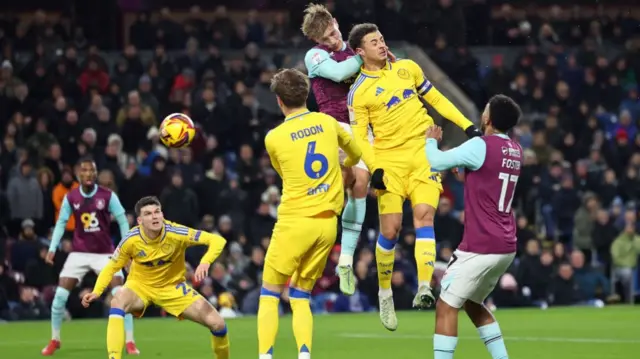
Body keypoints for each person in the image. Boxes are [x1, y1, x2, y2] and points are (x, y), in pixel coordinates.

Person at [346, 23, 481, 330]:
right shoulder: (358, 92)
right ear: (360, 52)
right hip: (389, 163)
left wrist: (468, 125)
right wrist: (375, 169)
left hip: (422, 155)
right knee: (391, 231)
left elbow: (437, 101)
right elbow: (358, 137)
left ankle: (424, 287)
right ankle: (384, 292)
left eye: (381, 39)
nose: (381, 45)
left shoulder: (408, 68)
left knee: (424, 217)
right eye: (373, 42)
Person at [257, 68, 365, 359]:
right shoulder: (327, 122)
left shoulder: (274, 138)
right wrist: (347, 167)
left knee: (269, 294)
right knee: (301, 295)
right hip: (327, 226)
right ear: (306, 94)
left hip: (295, 221)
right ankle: (304, 355)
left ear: (279, 101)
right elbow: (356, 151)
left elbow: (284, 175)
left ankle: (265, 356)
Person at [301, 4, 393, 295]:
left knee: (362, 184)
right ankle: (310, 243)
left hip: (364, 128)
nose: (330, 41)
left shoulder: (356, 49)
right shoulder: (315, 55)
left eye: (331, 33)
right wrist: (362, 56)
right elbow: (340, 74)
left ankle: (345, 262)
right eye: (324, 39)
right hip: (335, 126)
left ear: (336, 23)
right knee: (343, 182)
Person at [425, 94, 522, 359]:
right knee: (471, 302)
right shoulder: (515, 149)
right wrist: (466, 170)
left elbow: (436, 162)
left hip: (481, 245)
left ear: (487, 118)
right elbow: (489, 181)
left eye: (486, 108)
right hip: (505, 243)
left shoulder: (481, 145)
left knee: (445, 304)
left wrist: (431, 141)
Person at [81, 196, 230, 359]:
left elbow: (217, 240)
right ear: (140, 220)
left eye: (157, 212)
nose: (154, 216)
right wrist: (97, 291)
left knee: (218, 324)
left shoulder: (175, 233)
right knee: (117, 300)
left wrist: (205, 262)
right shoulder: (131, 239)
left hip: (173, 288)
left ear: (162, 215)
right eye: (148, 213)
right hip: (140, 287)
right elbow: (112, 266)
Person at [42, 157, 138, 356]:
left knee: (120, 293)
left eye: (92, 170)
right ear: (79, 174)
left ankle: (129, 341)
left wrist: (127, 250)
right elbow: (61, 223)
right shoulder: (71, 197)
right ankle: (55, 339)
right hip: (79, 252)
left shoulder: (108, 196)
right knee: (59, 296)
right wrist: (53, 247)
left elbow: (122, 221)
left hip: (105, 254)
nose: (88, 174)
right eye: (84, 170)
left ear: (95, 174)